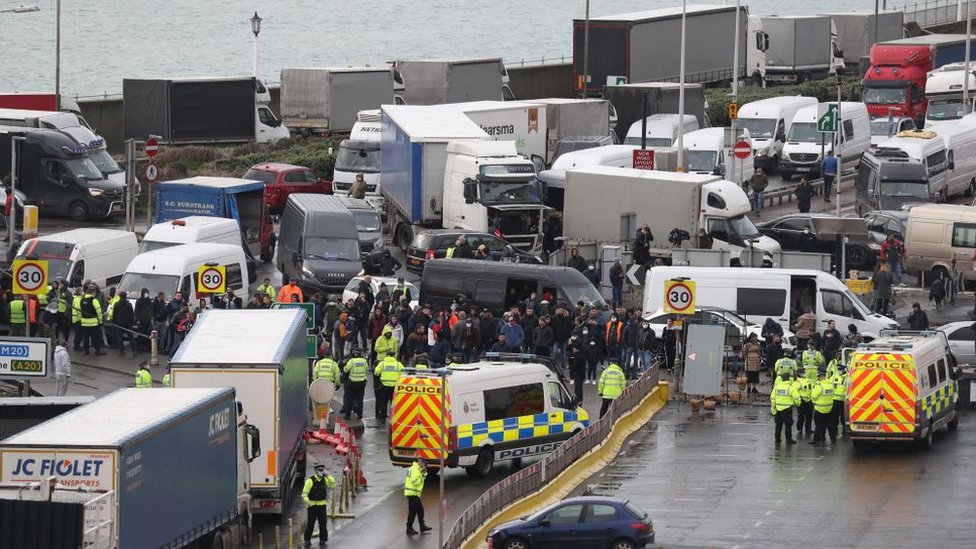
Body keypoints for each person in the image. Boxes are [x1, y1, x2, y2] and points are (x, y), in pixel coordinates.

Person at [302, 462, 337, 548]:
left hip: (322, 505)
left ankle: (323, 540)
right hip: (312, 505)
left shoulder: (325, 480)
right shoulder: (310, 481)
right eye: (320, 470)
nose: (321, 472)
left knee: (323, 523)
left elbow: (333, 485)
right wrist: (307, 501)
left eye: (322, 470)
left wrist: (328, 476)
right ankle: (307, 540)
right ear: (316, 471)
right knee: (311, 523)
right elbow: (304, 494)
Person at [404, 457, 432, 536]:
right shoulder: (415, 470)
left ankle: (422, 526)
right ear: (420, 462)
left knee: (420, 510)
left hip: (415, 493)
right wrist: (422, 477)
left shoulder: (417, 469)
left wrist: (424, 473)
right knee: (412, 512)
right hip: (412, 493)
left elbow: (422, 477)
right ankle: (409, 528)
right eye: (424, 464)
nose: (424, 466)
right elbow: (415, 482)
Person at [771, 372, 799, 444]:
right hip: (787, 408)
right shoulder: (791, 388)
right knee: (788, 424)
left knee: (778, 424)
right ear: (789, 379)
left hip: (778, 408)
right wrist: (797, 404)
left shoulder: (777, 387)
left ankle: (777, 439)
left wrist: (773, 409)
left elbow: (773, 398)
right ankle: (788, 439)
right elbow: (797, 398)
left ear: (782, 379)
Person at [374, 352, 403, 421]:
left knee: (384, 402)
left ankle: (383, 417)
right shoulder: (398, 364)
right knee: (393, 402)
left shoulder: (382, 363)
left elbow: (376, 372)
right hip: (394, 387)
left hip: (384, 386)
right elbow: (403, 373)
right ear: (394, 356)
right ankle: (393, 417)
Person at [342, 346, 369, 420]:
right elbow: (366, 369)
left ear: (355, 354)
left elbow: (345, 370)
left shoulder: (352, 361)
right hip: (362, 383)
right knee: (360, 399)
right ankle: (360, 415)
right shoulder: (364, 361)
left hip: (352, 382)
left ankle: (347, 416)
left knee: (350, 399)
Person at [811, 370, 837, 445]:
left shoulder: (819, 387)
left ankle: (816, 440)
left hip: (819, 409)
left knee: (818, 425)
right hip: (829, 409)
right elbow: (833, 394)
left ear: (821, 377)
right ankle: (833, 439)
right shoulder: (830, 386)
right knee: (830, 425)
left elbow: (814, 396)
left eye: (818, 377)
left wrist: (813, 390)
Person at [79, 286, 105, 356]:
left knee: (86, 338)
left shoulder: (82, 299)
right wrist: (100, 321)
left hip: (84, 323)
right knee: (95, 337)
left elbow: (80, 309)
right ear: (94, 292)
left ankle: (86, 351)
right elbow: (99, 312)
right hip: (93, 323)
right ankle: (97, 351)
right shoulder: (94, 300)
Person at [831, 361, 848, 436]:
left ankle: (845, 430)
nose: (839, 371)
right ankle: (834, 430)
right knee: (834, 416)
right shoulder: (835, 376)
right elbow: (829, 383)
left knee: (843, 417)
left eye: (840, 369)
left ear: (844, 369)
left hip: (844, 400)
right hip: (835, 400)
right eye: (838, 369)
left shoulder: (847, 377)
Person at [795, 371, 814, 437]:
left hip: (809, 400)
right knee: (801, 415)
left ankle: (808, 428)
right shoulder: (798, 382)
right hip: (802, 400)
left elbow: (812, 389)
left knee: (809, 415)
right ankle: (799, 428)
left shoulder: (809, 381)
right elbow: (794, 391)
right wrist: (798, 398)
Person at [569, 338, 587, 404]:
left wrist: (571, 368)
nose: (573, 349)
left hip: (579, 375)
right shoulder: (581, 355)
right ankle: (579, 400)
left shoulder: (578, 356)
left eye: (574, 348)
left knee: (578, 389)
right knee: (578, 388)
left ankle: (579, 400)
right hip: (581, 375)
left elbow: (576, 366)